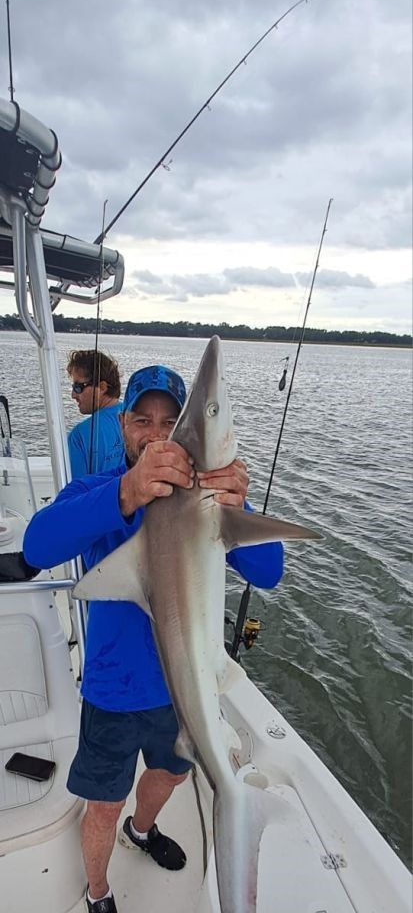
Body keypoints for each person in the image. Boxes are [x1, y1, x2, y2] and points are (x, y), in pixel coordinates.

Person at [23, 363, 284, 913]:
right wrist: (126, 492)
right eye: (142, 419)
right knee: (102, 803)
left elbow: (268, 571)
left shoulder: (212, 505)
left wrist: (240, 506)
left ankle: (142, 831)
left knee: (168, 774)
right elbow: (37, 546)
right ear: (123, 424)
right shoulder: (99, 491)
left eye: (170, 422)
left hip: (180, 696)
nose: (156, 433)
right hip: (112, 693)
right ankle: (98, 892)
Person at [67, 349, 124, 478]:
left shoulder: (78, 437)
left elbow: (77, 493)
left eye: (78, 387)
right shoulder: (141, 420)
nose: (73, 395)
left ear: (102, 387)